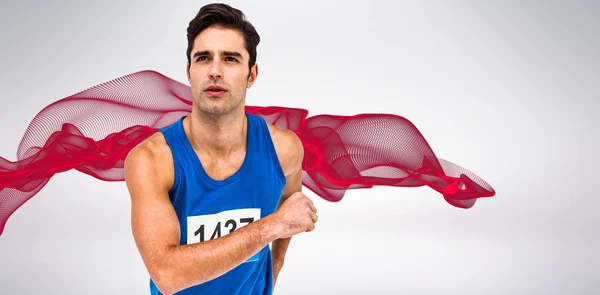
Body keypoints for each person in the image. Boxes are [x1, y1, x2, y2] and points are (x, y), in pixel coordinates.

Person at [123, 3, 318, 295]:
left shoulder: (284, 149)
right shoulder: (152, 160)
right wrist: (271, 226)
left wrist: (271, 274)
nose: (215, 71)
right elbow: (166, 275)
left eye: (230, 59)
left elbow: (291, 210)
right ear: (189, 71)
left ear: (251, 75)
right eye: (203, 58)